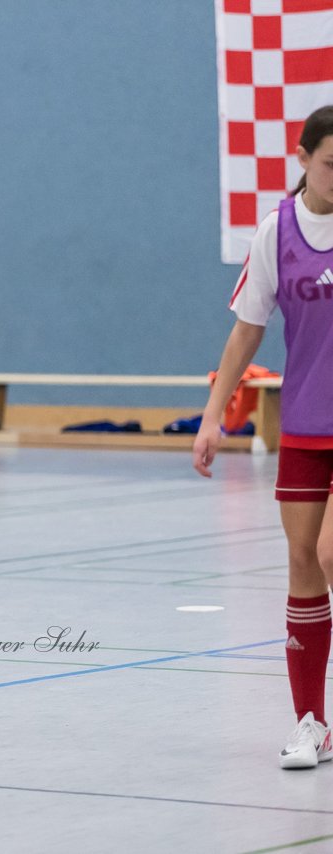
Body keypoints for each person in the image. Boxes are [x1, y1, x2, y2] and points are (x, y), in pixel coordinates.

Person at [194, 105, 333, 768]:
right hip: (306, 423)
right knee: (303, 563)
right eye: (332, 163)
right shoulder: (276, 231)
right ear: (304, 158)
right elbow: (246, 330)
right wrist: (213, 415)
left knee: (332, 553)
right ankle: (311, 720)